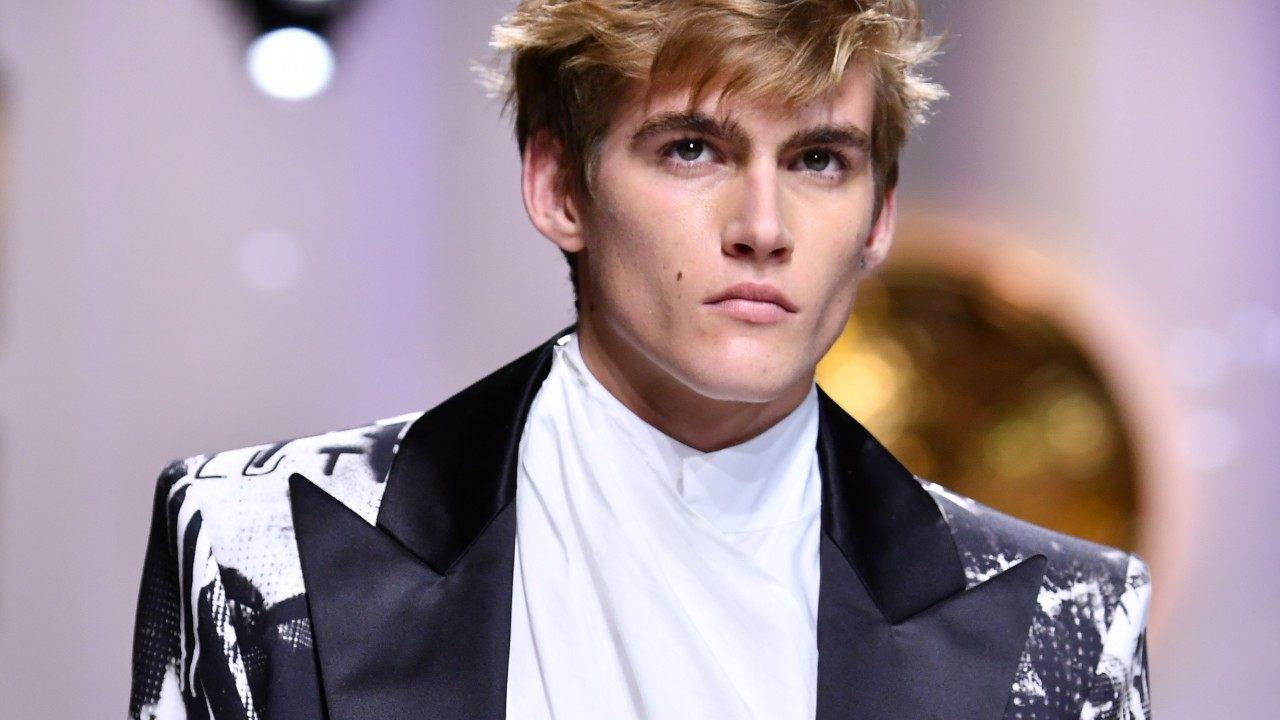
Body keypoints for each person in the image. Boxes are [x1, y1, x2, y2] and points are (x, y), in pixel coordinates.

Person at [128, 1, 1152, 718]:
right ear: (557, 187)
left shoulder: (1064, 623)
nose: (762, 227)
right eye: (691, 149)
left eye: (817, 160)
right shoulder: (255, 548)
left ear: (879, 217)